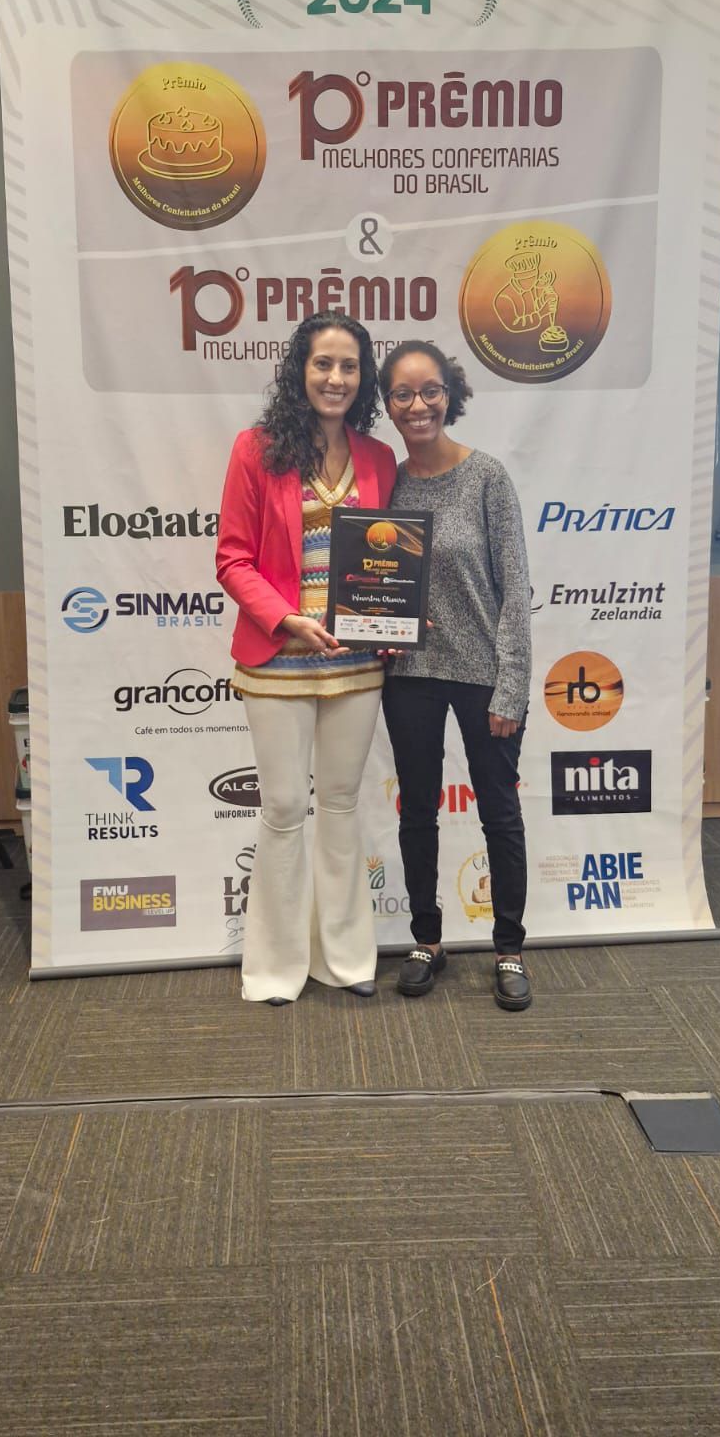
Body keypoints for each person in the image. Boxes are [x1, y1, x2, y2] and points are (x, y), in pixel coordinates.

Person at [216, 311, 396, 1004]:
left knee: (344, 806)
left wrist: (399, 615)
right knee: (286, 808)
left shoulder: (377, 458)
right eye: (323, 363)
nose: (336, 378)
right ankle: (274, 967)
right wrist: (285, 617)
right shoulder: (255, 450)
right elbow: (232, 557)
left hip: (355, 665)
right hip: (276, 662)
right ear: (300, 369)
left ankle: (345, 960)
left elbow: (393, 558)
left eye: (349, 366)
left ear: (363, 378)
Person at [379, 340, 533, 1010]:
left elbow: (516, 587)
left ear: (451, 394)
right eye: (402, 394)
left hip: (483, 676)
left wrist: (513, 684)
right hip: (409, 673)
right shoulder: (385, 484)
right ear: (386, 405)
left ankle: (508, 948)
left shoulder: (488, 478)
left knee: (499, 813)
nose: (417, 404)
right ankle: (426, 940)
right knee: (417, 808)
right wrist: (384, 630)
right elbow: (375, 585)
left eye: (429, 390)